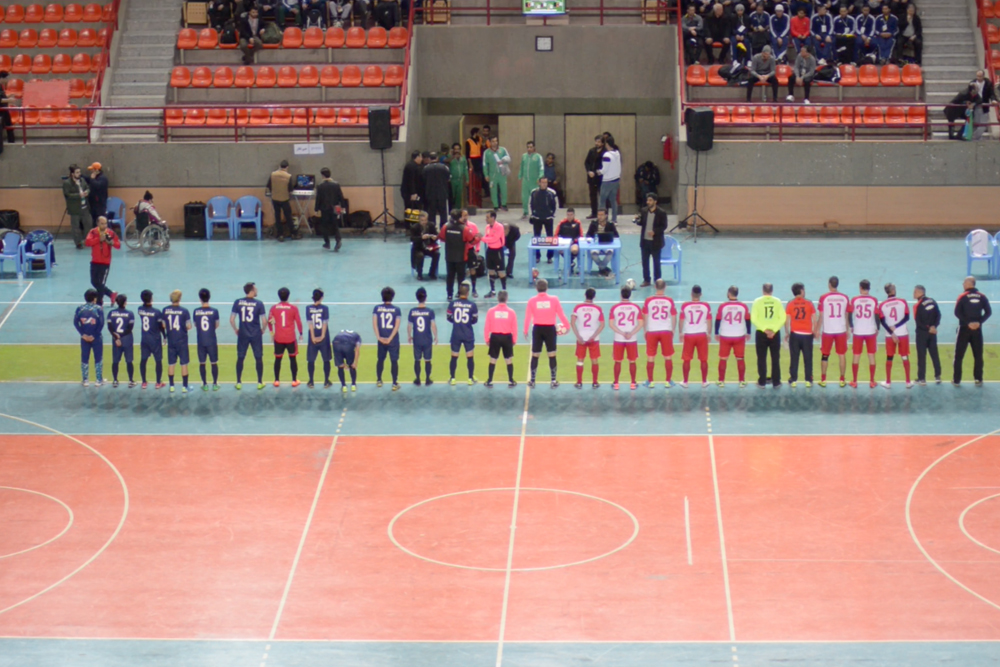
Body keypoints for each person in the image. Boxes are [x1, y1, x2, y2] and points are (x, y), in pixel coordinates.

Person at [524, 278, 570, 388]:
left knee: (535, 355)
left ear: (536, 288)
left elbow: (528, 317)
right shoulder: (554, 299)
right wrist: (567, 326)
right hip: (550, 330)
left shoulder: (532, 301)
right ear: (547, 288)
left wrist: (525, 330)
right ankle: (553, 381)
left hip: (537, 329)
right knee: (552, 355)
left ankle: (532, 380)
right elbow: (561, 314)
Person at [953, 276, 991, 386]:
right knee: (978, 355)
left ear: (969, 283)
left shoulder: (962, 296)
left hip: (964, 329)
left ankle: (956, 380)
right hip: (977, 330)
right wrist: (979, 322)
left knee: (959, 356)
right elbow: (988, 312)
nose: (963, 284)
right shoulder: (982, 296)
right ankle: (978, 379)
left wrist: (968, 323)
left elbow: (957, 312)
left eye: (964, 282)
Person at [231, 282, 267, 390]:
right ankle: (259, 382)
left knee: (240, 357)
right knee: (258, 357)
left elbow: (231, 320)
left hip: (243, 334)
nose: (257, 290)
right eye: (255, 289)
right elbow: (264, 321)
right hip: (256, 334)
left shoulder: (238, 302)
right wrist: (263, 330)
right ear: (251, 291)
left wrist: (236, 329)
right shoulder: (259, 303)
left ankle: (238, 382)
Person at [640, 280, 676, 388]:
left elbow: (644, 315)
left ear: (655, 287)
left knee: (651, 356)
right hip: (666, 330)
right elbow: (674, 316)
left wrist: (645, 330)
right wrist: (672, 330)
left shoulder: (648, 300)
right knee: (668, 356)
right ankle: (668, 381)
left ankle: (650, 381)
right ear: (665, 287)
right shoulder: (669, 300)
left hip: (652, 330)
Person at [750, 283, 786, 388]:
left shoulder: (757, 301)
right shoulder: (777, 301)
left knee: (761, 358)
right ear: (772, 291)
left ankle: (762, 382)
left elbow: (754, 319)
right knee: (775, 358)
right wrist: (773, 331)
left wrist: (765, 330)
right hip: (775, 333)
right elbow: (782, 318)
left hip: (761, 333)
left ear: (763, 290)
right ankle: (776, 382)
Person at [878, 282, 913, 388]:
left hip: (889, 335)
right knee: (904, 356)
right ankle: (908, 382)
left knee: (889, 357)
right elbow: (907, 317)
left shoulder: (882, 305)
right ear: (893, 290)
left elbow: (882, 321)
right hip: (903, 333)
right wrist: (896, 326)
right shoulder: (902, 301)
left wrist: (891, 332)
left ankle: (888, 382)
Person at [609, 286, 643, 390]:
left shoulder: (615, 308)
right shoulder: (636, 307)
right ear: (630, 295)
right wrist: (630, 333)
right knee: (632, 361)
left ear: (621, 295)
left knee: (617, 361)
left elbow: (611, 324)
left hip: (619, 338)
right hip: (631, 339)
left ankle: (616, 383)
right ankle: (633, 383)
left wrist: (622, 333)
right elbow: (641, 324)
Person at [716, 285, 751, 387]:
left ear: (728, 294)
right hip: (739, 335)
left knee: (723, 358)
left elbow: (718, 320)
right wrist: (748, 332)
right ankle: (741, 381)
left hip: (725, 335)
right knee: (740, 358)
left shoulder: (723, 306)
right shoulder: (743, 306)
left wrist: (716, 333)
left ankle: (721, 381)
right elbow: (747, 320)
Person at [817, 276, 849, 387]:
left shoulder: (823, 297)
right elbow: (846, 315)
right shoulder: (845, 297)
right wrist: (847, 329)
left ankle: (823, 380)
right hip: (841, 330)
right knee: (842, 355)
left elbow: (821, 316)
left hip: (828, 331)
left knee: (825, 355)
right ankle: (842, 379)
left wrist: (817, 329)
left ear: (829, 284)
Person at [848, 279, 880, 388]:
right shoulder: (874, 300)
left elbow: (849, 315)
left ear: (860, 288)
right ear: (869, 288)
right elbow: (877, 316)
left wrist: (851, 326)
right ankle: (872, 381)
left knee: (856, 355)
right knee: (871, 355)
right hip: (870, 331)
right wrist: (877, 328)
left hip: (858, 331)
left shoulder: (855, 299)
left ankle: (854, 381)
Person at [438, 210, 476, 301]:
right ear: (460, 217)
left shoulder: (445, 226)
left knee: (450, 276)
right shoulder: (464, 228)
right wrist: (478, 237)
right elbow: (472, 240)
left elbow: (441, 238)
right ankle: (460, 294)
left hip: (449, 256)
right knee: (461, 277)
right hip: (461, 257)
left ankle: (449, 295)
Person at [268, 287, 303, 387]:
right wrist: (301, 334)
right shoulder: (293, 308)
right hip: (290, 338)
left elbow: (269, 321)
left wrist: (272, 333)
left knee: (278, 359)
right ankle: (294, 380)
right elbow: (298, 322)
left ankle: (276, 380)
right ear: (288, 296)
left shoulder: (273, 308)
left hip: (278, 338)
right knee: (292, 358)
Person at [784, 282, 817, 387]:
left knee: (794, 358)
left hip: (795, 334)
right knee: (808, 357)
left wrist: (787, 333)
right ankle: (808, 380)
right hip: (807, 335)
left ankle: (793, 379)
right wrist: (815, 331)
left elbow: (787, 321)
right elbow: (814, 319)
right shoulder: (809, 303)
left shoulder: (790, 304)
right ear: (801, 291)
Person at [679, 285, 712, 388]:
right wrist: (709, 333)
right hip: (702, 335)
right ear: (701, 294)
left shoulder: (685, 305)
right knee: (703, 359)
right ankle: (704, 381)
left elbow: (681, 320)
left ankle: (685, 382)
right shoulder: (706, 306)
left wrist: (680, 332)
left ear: (691, 294)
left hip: (689, 334)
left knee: (686, 359)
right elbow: (709, 321)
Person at [484, 290, 518, 388]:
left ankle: (489, 380)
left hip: (495, 337)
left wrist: (487, 339)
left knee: (493, 359)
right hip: (507, 337)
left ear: (497, 298)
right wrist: (514, 339)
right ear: (506, 299)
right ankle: (511, 380)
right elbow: (515, 328)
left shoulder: (491, 311)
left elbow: (487, 327)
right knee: (508, 360)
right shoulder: (511, 312)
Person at [572, 288, 605, 389]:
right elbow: (602, 325)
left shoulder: (578, 307)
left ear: (584, 295)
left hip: (581, 338)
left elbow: (572, 323)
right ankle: (595, 383)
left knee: (580, 360)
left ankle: (579, 382)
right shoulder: (598, 308)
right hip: (593, 339)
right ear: (594, 297)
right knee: (594, 360)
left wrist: (578, 336)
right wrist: (593, 336)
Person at [447, 283, 478, 385]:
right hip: (468, 333)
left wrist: (457, 322)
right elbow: (475, 320)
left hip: (456, 333)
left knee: (454, 356)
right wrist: (467, 323)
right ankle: (470, 378)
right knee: (470, 356)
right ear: (468, 293)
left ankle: (453, 378)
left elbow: (449, 317)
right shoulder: (472, 305)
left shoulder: (452, 304)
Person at [85, 216, 120, 306]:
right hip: (94, 261)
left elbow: (118, 245)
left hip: (105, 263)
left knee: (101, 284)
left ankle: (99, 303)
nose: (104, 225)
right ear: (97, 224)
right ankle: (111, 294)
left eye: (105, 223)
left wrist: (111, 242)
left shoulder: (110, 233)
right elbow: (87, 242)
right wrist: (98, 239)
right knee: (94, 282)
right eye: (102, 223)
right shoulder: (93, 232)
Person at [162, 290, 192, 394]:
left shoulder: (165, 310)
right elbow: (189, 326)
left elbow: (163, 325)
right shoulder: (184, 311)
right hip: (182, 341)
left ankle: (171, 386)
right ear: (179, 299)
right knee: (184, 364)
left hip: (171, 340)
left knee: (171, 364)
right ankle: (184, 387)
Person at [634, 193, 667, 287]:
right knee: (645, 262)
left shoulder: (661, 212)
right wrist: (637, 220)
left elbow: (664, 226)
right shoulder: (643, 211)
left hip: (655, 242)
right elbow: (641, 223)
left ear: (655, 201)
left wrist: (655, 232)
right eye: (647, 200)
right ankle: (646, 280)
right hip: (645, 241)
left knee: (656, 263)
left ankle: (657, 281)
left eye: (650, 200)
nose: (648, 202)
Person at [373, 286, 402, 390]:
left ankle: (379, 380)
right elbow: (396, 326)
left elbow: (375, 324)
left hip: (381, 339)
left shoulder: (376, 308)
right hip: (393, 340)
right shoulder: (397, 310)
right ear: (392, 297)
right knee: (394, 361)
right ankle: (394, 383)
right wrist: (390, 338)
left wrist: (379, 337)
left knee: (380, 359)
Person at [192, 289, 221, 391]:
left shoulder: (196, 311)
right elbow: (216, 325)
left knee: (202, 363)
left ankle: (204, 384)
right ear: (209, 297)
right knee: (214, 362)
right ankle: (215, 384)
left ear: (200, 299)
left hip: (201, 341)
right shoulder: (214, 311)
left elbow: (196, 324)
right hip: (211, 341)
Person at [407, 287, 437, 386]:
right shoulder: (430, 311)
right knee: (428, 360)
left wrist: (409, 336)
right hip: (427, 339)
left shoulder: (412, 311)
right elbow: (433, 325)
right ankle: (427, 379)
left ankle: (418, 379)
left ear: (417, 298)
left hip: (417, 339)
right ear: (426, 298)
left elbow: (409, 326)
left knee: (417, 360)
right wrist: (436, 336)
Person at [75, 289, 105, 387]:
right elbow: (101, 323)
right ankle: (98, 380)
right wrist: (94, 335)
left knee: (84, 358)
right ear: (94, 298)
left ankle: (85, 380)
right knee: (98, 358)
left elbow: (75, 322)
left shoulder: (80, 308)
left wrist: (82, 334)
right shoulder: (98, 309)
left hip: (84, 338)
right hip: (96, 338)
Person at [912, 285, 941, 385]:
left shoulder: (917, 305)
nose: (913, 294)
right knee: (934, 354)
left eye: (915, 292)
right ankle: (937, 376)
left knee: (921, 356)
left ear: (920, 292)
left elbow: (918, 321)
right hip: (932, 333)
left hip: (922, 334)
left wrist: (928, 328)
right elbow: (938, 315)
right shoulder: (932, 301)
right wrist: (934, 327)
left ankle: (922, 378)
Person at [137, 290, 165, 389]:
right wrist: (165, 336)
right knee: (158, 360)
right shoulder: (157, 312)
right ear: (151, 298)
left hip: (144, 339)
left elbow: (144, 308)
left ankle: (144, 382)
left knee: (143, 360)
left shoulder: (140, 309)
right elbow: (161, 326)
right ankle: (158, 382)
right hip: (155, 339)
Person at [107, 293, 135, 388]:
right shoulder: (130, 314)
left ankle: (115, 380)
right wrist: (121, 336)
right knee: (129, 361)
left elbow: (110, 327)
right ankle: (130, 380)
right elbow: (130, 328)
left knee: (115, 361)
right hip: (127, 339)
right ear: (125, 303)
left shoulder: (111, 313)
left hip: (116, 340)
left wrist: (116, 337)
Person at [529, 176, 559, 264]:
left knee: (550, 238)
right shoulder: (533, 192)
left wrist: (553, 215)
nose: (544, 184)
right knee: (536, 238)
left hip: (548, 218)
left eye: (545, 182)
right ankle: (537, 256)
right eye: (542, 182)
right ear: (539, 183)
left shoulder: (552, 192)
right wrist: (532, 215)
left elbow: (556, 204)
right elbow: (530, 204)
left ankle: (549, 257)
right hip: (537, 218)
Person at [306, 289, 332, 388]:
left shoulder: (308, 308)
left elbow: (310, 323)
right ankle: (326, 381)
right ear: (321, 298)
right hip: (324, 338)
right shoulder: (325, 308)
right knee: (326, 359)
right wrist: (322, 336)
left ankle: (311, 381)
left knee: (311, 360)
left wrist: (313, 337)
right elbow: (325, 323)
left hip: (312, 338)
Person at [63, 164, 92, 249]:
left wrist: (87, 192)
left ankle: (88, 240)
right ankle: (78, 242)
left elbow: (88, 187)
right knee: (76, 227)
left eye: (79, 172)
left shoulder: (82, 180)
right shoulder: (67, 183)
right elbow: (67, 195)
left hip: (85, 207)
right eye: (77, 172)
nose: (79, 174)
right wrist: (79, 195)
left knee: (88, 224)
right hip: (75, 209)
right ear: (72, 174)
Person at [315, 167, 344, 251]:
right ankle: (338, 240)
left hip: (324, 208)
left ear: (322, 175)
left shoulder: (320, 186)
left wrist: (316, 209)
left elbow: (318, 199)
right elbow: (340, 197)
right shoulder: (336, 184)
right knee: (335, 224)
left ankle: (327, 243)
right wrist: (343, 206)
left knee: (324, 225)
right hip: (335, 207)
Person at [265, 160, 294, 242]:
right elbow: (290, 189)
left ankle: (280, 234)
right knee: (288, 216)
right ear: (287, 167)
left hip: (275, 198)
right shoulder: (288, 176)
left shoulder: (273, 174)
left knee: (277, 217)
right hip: (284, 199)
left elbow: (269, 186)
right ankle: (293, 233)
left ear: (279, 166)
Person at [585, 209, 619, 277]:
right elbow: (588, 235)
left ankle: (601, 268)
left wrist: (610, 237)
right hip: (596, 245)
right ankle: (604, 268)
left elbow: (616, 235)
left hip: (607, 244)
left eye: (602, 215)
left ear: (606, 215)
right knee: (593, 254)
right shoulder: (593, 224)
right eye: (598, 215)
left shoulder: (610, 224)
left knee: (610, 252)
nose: (600, 217)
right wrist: (591, 238)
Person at [422, 151, 451, 231]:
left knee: (431, 214)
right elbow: (448, 179)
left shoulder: (426, 168)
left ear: (429, 159)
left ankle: (432, 230)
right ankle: (443, 230)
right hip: (442, 193)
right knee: (443, 213)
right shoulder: (444, 167)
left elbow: (423, 180)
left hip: (430, 194)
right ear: (437, 158)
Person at [596, 135, 622, 224]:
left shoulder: (606, 155)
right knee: (613, 200)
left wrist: (598, 172)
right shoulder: (617, 153)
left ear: (607, 144)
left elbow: (604, 170)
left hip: (607, 181)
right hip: (616, 180)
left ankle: (601, 219)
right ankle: (614, 219)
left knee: (602, 201)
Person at [483, 210, 507, 298]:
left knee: (501, 272)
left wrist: (481, 238)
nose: (486, 219)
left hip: (498, 251)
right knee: (491, 271)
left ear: (493, 218)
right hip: (490, 251)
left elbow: (494, 239)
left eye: (487, 217)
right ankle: (492, 291)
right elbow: (487, 237)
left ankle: (504, 290)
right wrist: (484, 238)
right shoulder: (487, 227)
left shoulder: (499, 227)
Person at [410, 211, 440, 281]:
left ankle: (432, 272)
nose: (424, 222)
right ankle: (419, 273)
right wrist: (421, 238)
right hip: (418, 248)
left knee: (437, 254)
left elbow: (436, 235)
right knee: (420, 255)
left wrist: (435, 237)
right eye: (422, 220)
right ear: (419, 220)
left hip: (429, 247)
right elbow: (412, 239)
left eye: (425, 220)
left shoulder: (431, 225)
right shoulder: (415, 227)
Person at [483, 136, 511, 212]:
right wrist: (486, 175)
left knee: (504, 190)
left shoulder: (503, 150)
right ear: (490, 142)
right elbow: (485, 164)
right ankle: (495, 206)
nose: (495, 143)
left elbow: (508, 159)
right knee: (493, 191)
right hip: (492, 175)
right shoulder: (487, 152)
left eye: (496, 141)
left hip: (502, 174)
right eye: (493, 141)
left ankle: (504, 205)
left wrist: (503, 160)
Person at [518, 141, 545, 219]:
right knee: (524, 198)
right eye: (528, 147)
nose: (529, 149)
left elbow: (541, 168)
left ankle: (535, 212)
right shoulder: (524, 156)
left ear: (534, 148)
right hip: (525, 181)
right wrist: (520, 176)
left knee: (535, 198)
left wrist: (540, 178)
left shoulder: (538, 157)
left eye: (531, 147)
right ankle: (525, 212)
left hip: (535, 181)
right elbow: (521, 167)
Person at [332, 328, 362, 392]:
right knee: (352, 366)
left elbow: (334, 345)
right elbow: (357, 350)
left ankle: (344, 386)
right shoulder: (357, 337)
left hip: (336, 343)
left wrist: (341, 363)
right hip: (348, 345)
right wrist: (355, 362)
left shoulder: (340, 333)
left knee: (340, 366)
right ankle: (353, 385)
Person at [555, 208, 583, 273]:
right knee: (560, 250)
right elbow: (556, 235)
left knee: (574, 250)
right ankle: (570, 262)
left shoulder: (578, 223)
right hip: (563, 243)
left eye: (571, 215)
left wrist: (575, 241)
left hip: (574, 243)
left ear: (574, 215)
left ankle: (569, 263)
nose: (569, 216)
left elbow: (581, 235)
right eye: (568, 215)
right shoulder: (562, 223)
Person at [584, 135, 605, 220]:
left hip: (600, 177)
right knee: (592, 196)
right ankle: (594, 212)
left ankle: (603, 213)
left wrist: (596, 172)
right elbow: (586, 162)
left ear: (602, 143)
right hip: (591, 177)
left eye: (599, 142)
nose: (597, 143)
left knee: (602, 196)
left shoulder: (605, 152)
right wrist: (589, 171)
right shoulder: (591, 151)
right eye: (596, 141)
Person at [970, 70, 994, 141]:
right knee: (976, 123)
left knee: (983, 124)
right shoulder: (972, 83)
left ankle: (974, 137)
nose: (979, 78)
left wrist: (993, 100)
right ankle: (977, 138)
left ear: (983, 76)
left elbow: (991, 93)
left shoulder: (988, 83)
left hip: (984, 105)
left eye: (980, 76)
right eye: (977, 76)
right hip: (975, 106)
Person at [465, 128, 483, 207]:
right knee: (472, 177)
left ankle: (480, 193)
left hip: (479, 159)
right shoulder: (468, 141)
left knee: (479, 176)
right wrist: (470, 163)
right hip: (472, 159)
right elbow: (467, 153)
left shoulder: (479, 139)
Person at [448, 143, 468, 210]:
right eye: (455, 149)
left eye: (458, 149)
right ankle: (451, 209)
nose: (457, 150)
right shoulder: (450, 157)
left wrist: (467, 179)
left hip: (460, 180)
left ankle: (458, 210)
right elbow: (447, 164)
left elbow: (465, 168)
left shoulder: (463, 157)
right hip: (452, 179)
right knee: (452, 195)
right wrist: (452, 157)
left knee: (459, 196)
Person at [0, 69, 15, 148]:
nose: (7, 80)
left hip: (4, 109)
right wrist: (9, 100)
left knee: (9, 126)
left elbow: (3, 97)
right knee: (4, 126)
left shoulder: (1, 87)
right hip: (1, 110)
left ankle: (11, 141)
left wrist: (9, 96)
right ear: (2, 78)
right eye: (6, 78)